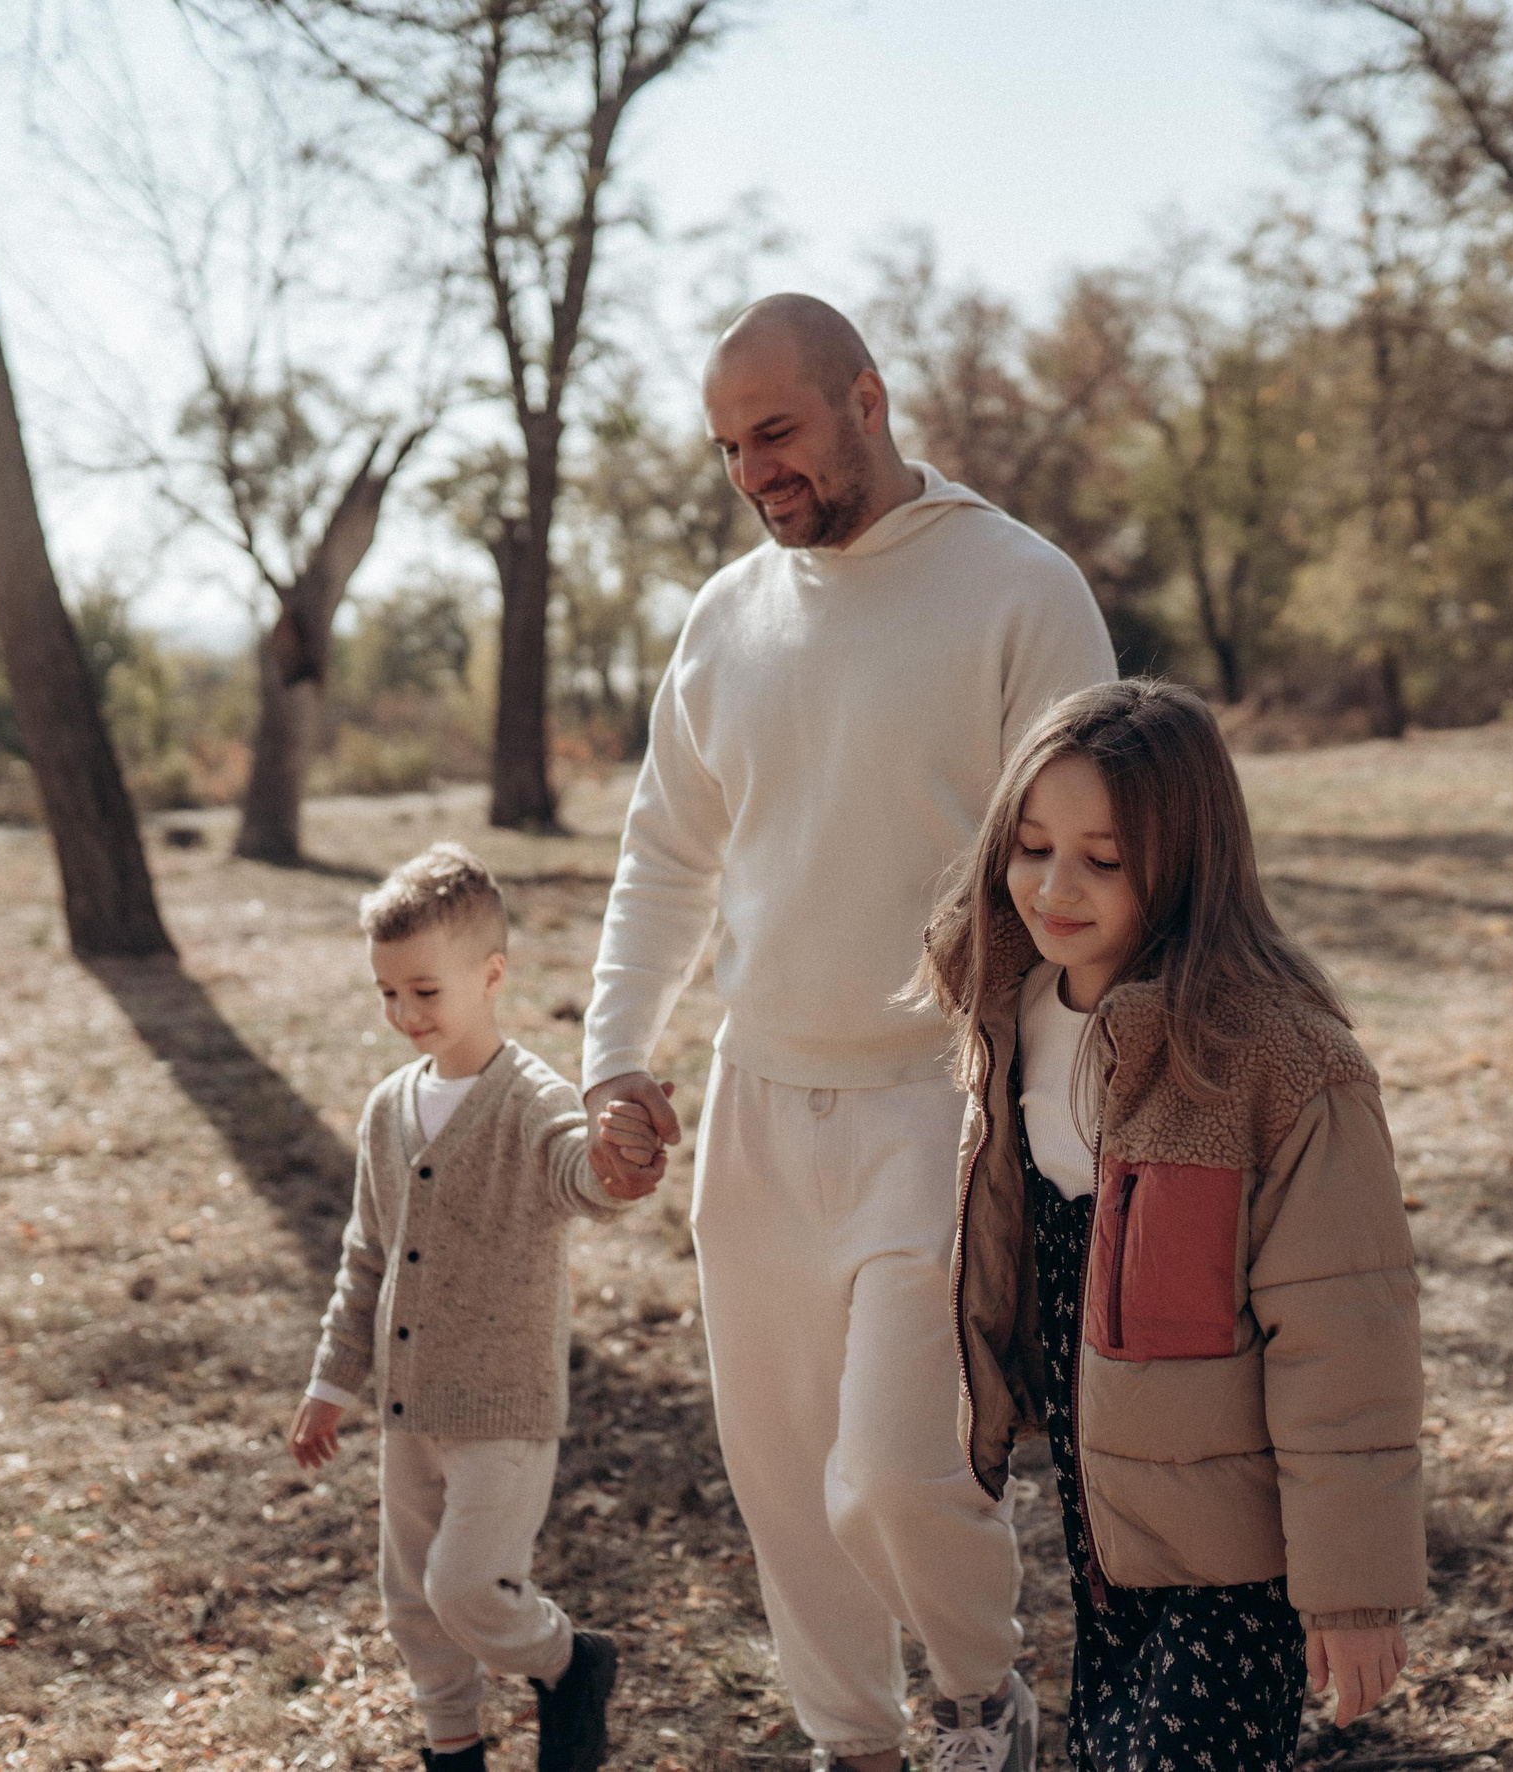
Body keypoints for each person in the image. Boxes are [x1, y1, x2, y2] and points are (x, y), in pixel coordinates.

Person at [579, 293, 1116, 1772]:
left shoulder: (1020, 586)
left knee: (889, 1477)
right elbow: (667, 857)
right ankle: (854, 1746)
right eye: (729, 447)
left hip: (939, 1103)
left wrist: (1063, 1107)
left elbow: (1102, 866)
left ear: (867, 401)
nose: (756, 471)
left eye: (779, 432)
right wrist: (615, 1056)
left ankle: (976, 1694)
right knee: (781, 1492)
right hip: (758, 1110)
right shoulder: (724, 615)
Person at [919, 679, 1427, 1772]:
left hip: (1238, 1559)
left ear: (1186, 859)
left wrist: (1353, 1588)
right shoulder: (1013, 1012)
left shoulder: (1278, 1061)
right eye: (1033, 844)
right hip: (1104, 1525)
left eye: (1104, 860)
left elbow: (1347, 1337)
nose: (1055, 887)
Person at [291, 843, 639, 1772]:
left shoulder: (531, 1099)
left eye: (426, 992)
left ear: (490, 978)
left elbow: (582, 1177)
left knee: (467, 1587)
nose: (405, 1015)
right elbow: (366, 1254)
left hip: (503, 1407)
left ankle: (571, 1660)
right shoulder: (386, 1109)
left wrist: (614, 1162)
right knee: (411, 1600)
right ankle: (454, 1747)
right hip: (408, 1407)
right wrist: (333, 1379)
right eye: (387, 993)